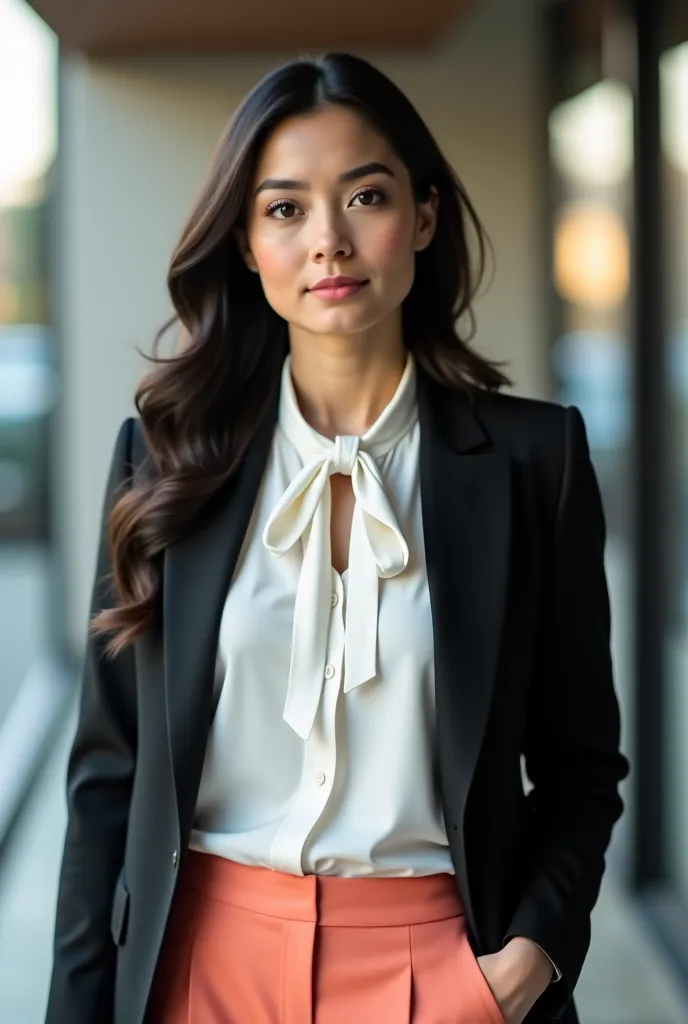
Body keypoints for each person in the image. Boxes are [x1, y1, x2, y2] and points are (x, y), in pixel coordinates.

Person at [45, 52, 629, 1024]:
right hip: (201, 966)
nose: (328, 241)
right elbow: (107, 777)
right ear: (243, 240)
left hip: (443, 972)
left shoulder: (536, 460)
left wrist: (529, 959)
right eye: (284, 208)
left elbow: (581, 764)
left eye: (365, 195)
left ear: (425, 216)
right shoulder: (163, 459)